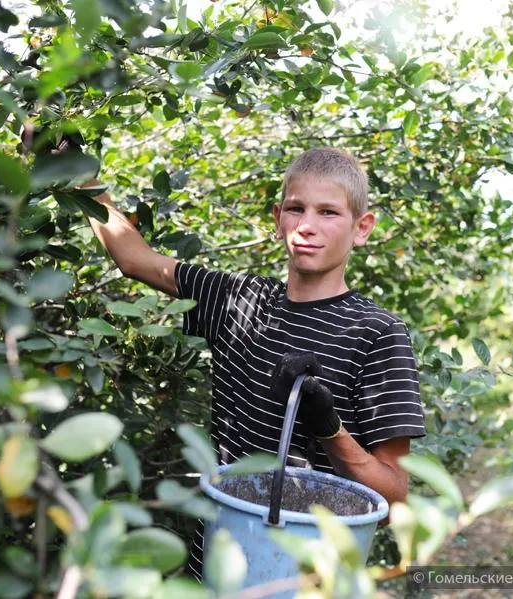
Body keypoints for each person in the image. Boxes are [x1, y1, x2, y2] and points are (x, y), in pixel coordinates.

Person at [83, 147, 427, 581]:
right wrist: (77, 170)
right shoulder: (238, 300)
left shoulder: (376, 332)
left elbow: (394, 502)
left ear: (362, 228)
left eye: (328, 213)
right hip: (214, 564)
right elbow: (135, 259)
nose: (307, 226)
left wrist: (329, 427)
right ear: (276, 217)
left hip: (304, 578)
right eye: (296, 208)